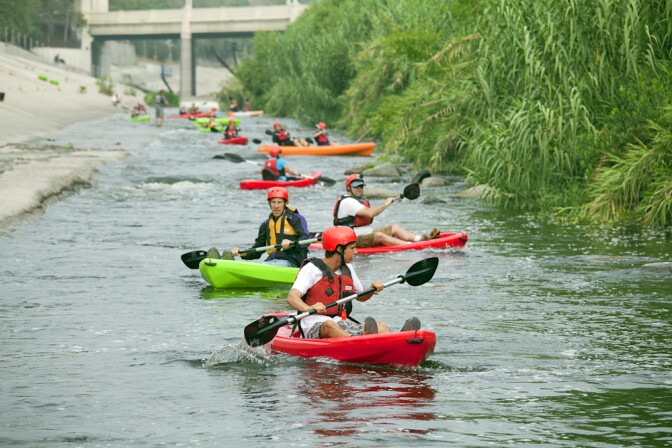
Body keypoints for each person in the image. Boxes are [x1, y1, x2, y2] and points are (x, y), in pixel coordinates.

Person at [286, 226, 422, 339]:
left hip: (340, 322)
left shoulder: (347, 268)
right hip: (313, 326)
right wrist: (308, 308)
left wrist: (372, 289)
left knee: (381, 326)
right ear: (339, 249)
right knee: (329, 325)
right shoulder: (311, 269)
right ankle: (359, 344)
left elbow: (360, 296)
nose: (356, 252)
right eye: (352, 248)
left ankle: (399, 342)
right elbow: (292, 297)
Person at [208, 187, 311, 268]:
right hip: (272, 260)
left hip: (292, 262)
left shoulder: (296, 219)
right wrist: (242, 254)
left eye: (279, 202)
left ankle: (231, 267)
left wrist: (291, 244)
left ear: (285, 203)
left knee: (265, 266)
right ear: (269, 204)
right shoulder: (265, 224)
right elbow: (258, 249)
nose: (276, 206)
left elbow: (306, 240)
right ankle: (226, 263)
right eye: (273, 202)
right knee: (264, 265)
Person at [333, 174, 441, 248]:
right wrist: (386, 203)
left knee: (394, 228)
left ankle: (419, 238)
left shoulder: (357, 200)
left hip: (366, 233)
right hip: (352, 240)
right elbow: (371, 213)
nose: (360, 189)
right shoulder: (348, 202)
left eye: (361, 186)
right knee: (379, 236)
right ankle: (409, 246)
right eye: (356, 187)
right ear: (348, 188)